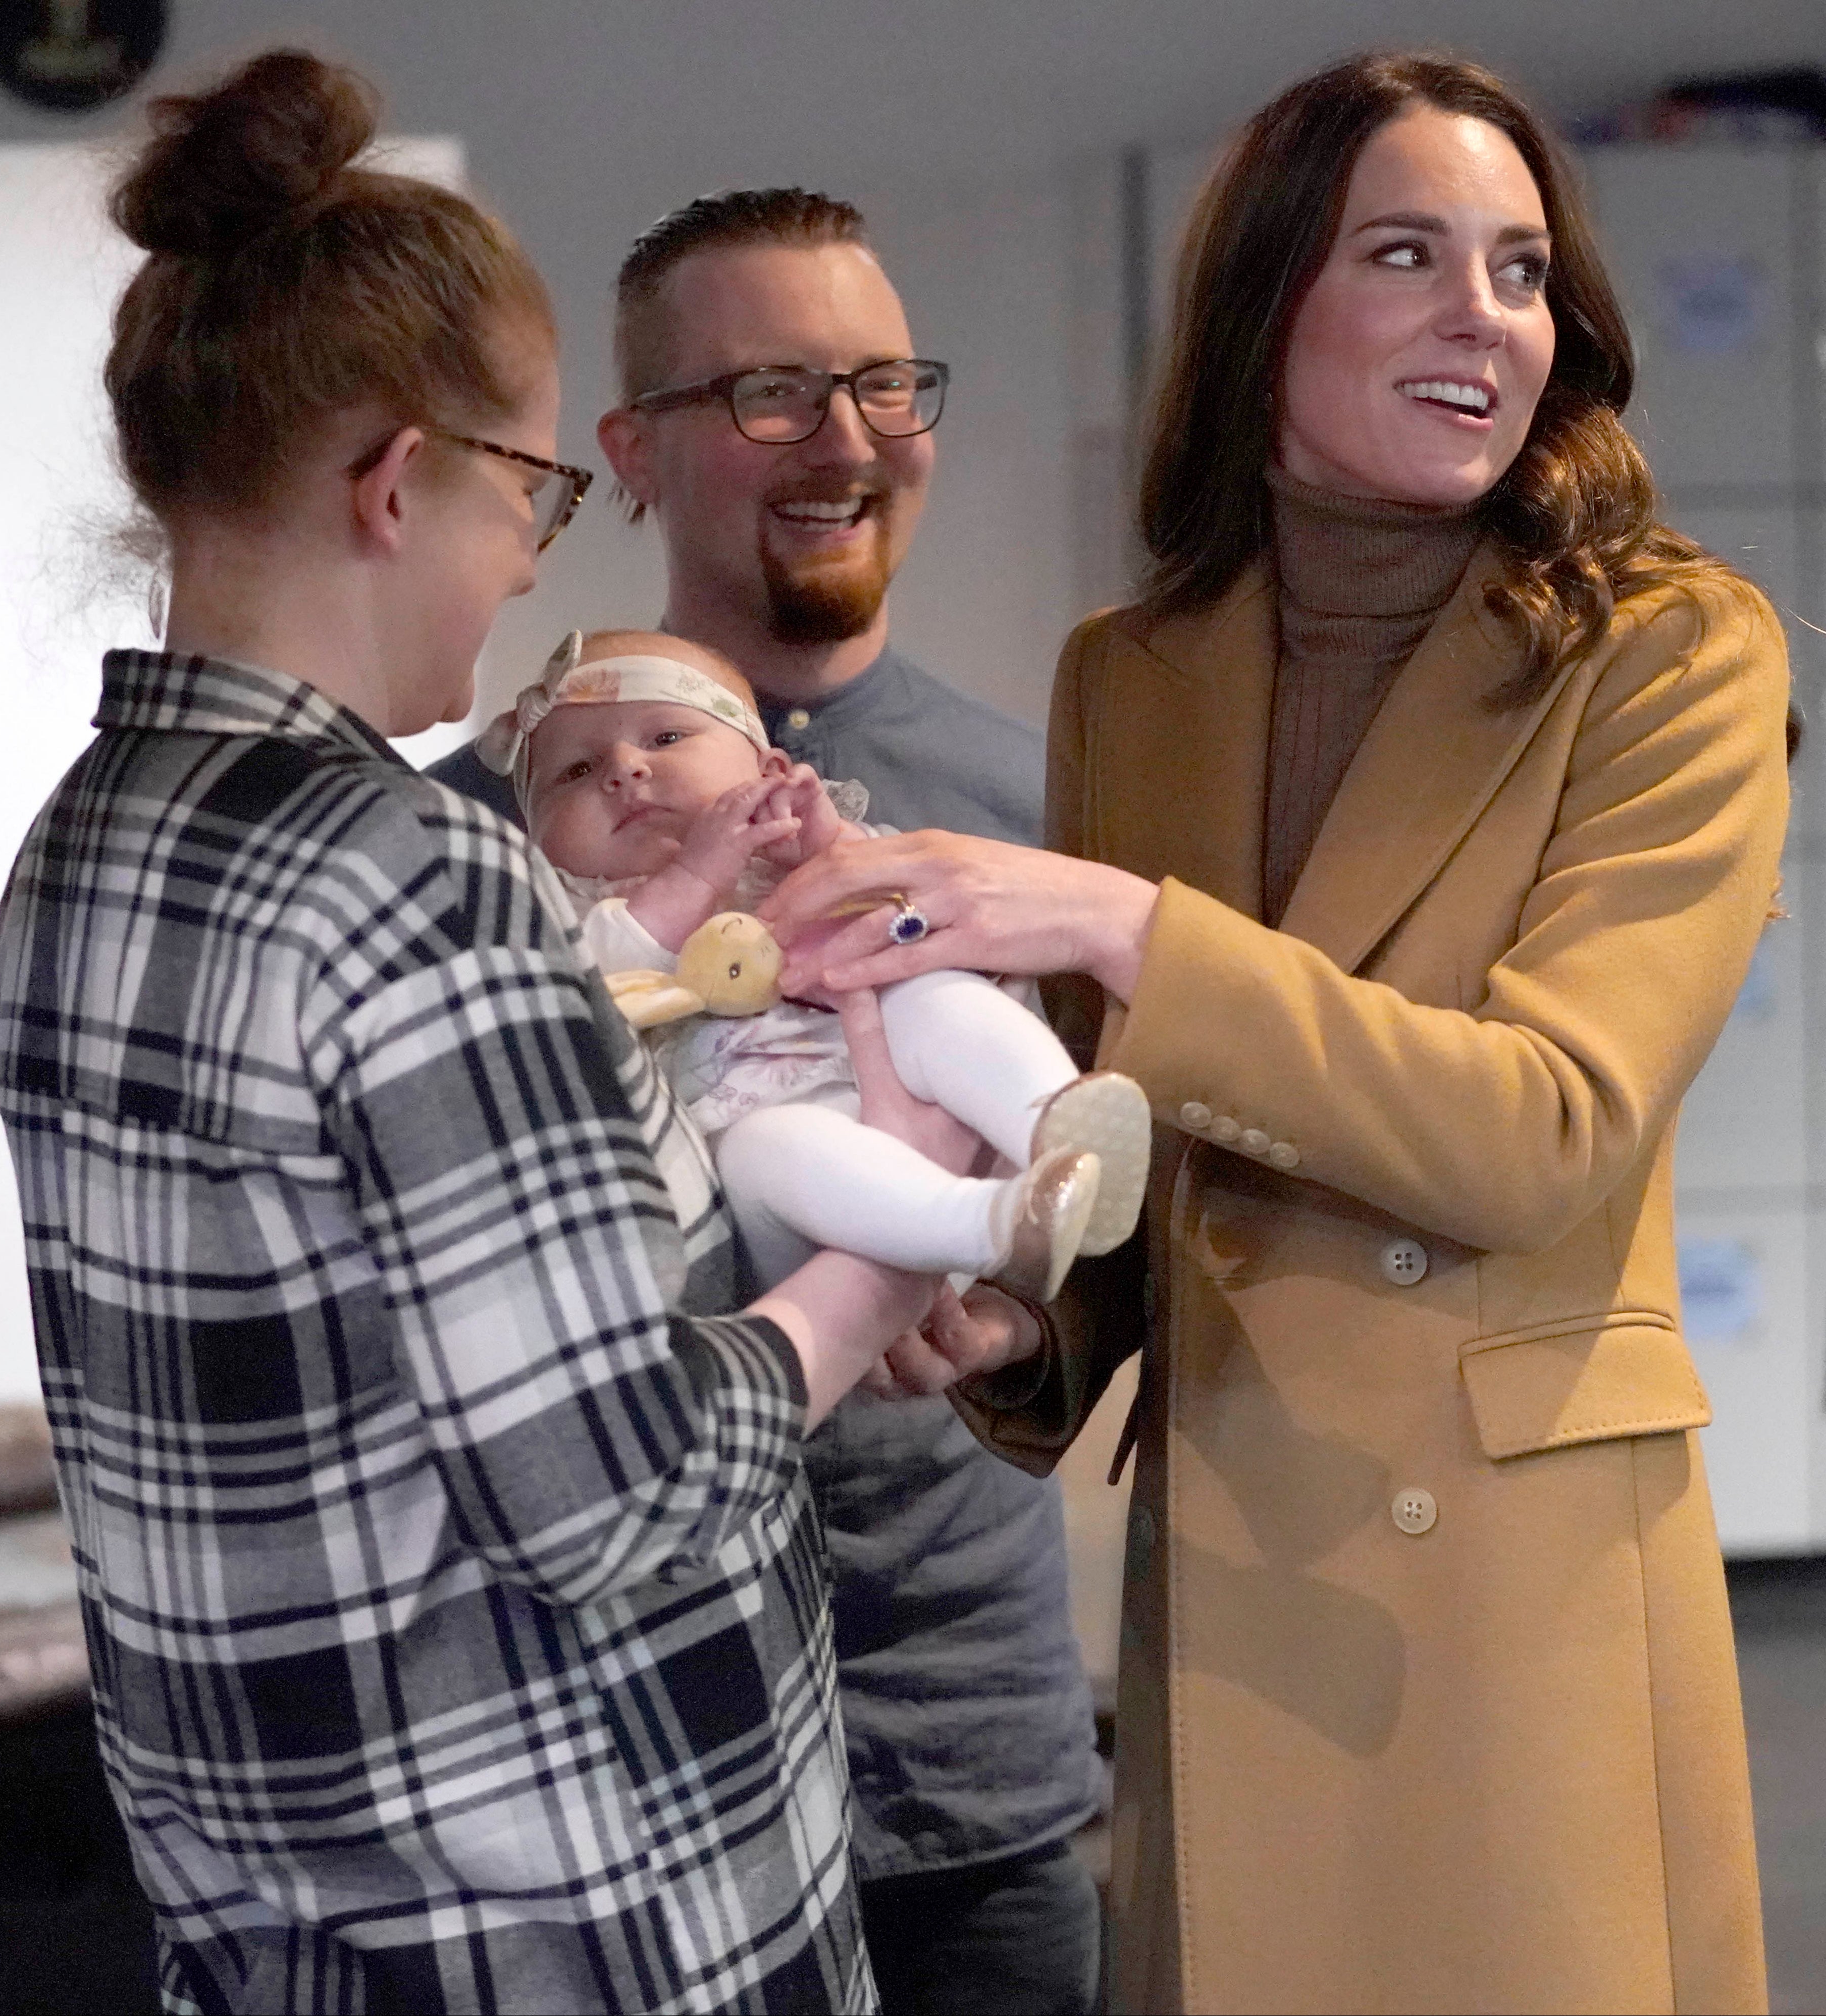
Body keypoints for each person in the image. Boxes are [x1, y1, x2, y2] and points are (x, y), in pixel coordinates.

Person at [758, 50, 1789, 2013]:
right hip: (1243, 1572)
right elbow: (1150, 1163)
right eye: (1405, 253)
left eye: (1516, 267)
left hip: (1515, 1598)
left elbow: (1541, 1128)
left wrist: (1124, 920)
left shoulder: (1665, 647)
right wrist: (1024, 1314)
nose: (1483, 313)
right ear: (1264, 309)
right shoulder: (1135, 676)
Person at [0, 52, 947, 2012]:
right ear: (396, 479)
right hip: (584, 1924)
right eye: (528, 490)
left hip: (274, 1931)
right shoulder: (420, 874)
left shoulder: (71, 855)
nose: (531, 560)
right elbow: (623, 1492)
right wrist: (871, 1270)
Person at [431, 189, 1101, 2016]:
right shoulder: (486, 842)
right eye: (773, 394)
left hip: (974, 1748)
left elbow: (1141, 1243)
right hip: (624, 1758)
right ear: (630, 454)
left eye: (887, 386)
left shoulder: (1035, 802)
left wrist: (1016, 1312)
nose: (849, 443)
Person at [478, 625, 1151, 1297]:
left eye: (666, 737)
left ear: (768, 772)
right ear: (534, 841)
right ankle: (993, 1226)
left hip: (935, 1116)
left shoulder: (819, 851)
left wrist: (838, 857)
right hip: (805, 1221)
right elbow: (593, 1003)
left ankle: (1058, 1131)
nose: (624, 769)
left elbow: (930, 927)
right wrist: (690, 878)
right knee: (762, 1150)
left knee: (935, 996)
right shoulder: (564, 924)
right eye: (575, 771)